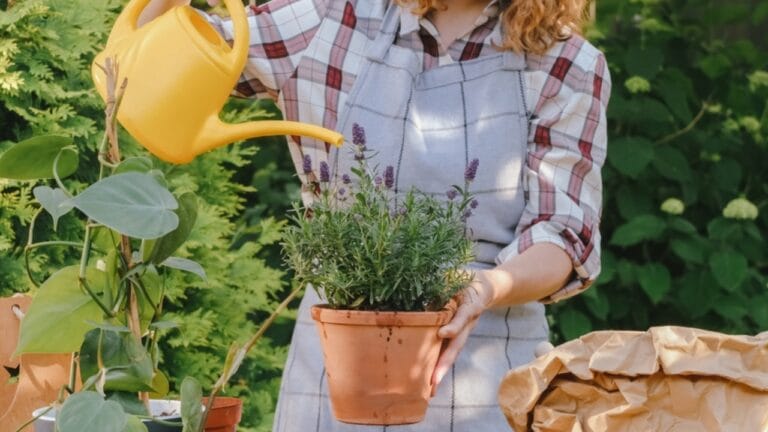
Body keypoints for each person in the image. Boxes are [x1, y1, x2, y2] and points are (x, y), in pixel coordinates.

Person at [141, 0, 610, 429]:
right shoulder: (329, 18)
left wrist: (485, 288)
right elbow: (149, 64)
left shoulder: (566, 64)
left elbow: (562, 235)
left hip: (489, 378)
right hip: (335, 369)